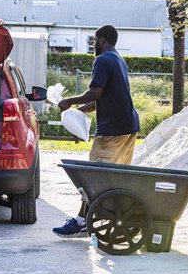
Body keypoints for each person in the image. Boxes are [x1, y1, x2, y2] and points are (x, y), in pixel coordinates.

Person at [52, 25, 140, 238]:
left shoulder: (102, 60)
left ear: (102, 39)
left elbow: (95, 93)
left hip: (112, 131)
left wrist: (68, 101)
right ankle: (121, 217)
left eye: (94, 40)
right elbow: (104, 99)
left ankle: (82, 222)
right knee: (115, 179)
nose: (93, 44)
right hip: (128, 127)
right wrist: (78, 115)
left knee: (95, 178)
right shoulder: (119, 59)